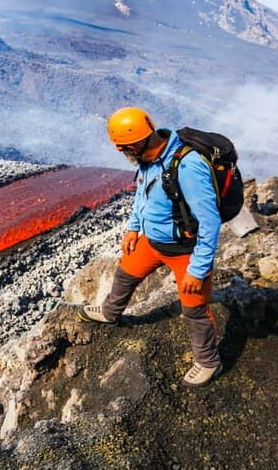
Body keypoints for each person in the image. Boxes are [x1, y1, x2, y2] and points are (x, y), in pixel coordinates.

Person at [78, 106, 223, 386]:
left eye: (123, 149)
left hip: (185, 251)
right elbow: (143, 198)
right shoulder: (148, 157)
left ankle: (208, 361)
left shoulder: (187, 166)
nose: (122, 153)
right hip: (152, 241)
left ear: (136, 142)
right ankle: (110, 313)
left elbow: (210, 221)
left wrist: (198, 268)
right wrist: (134, 228)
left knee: (195, 308)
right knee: (125, 274)